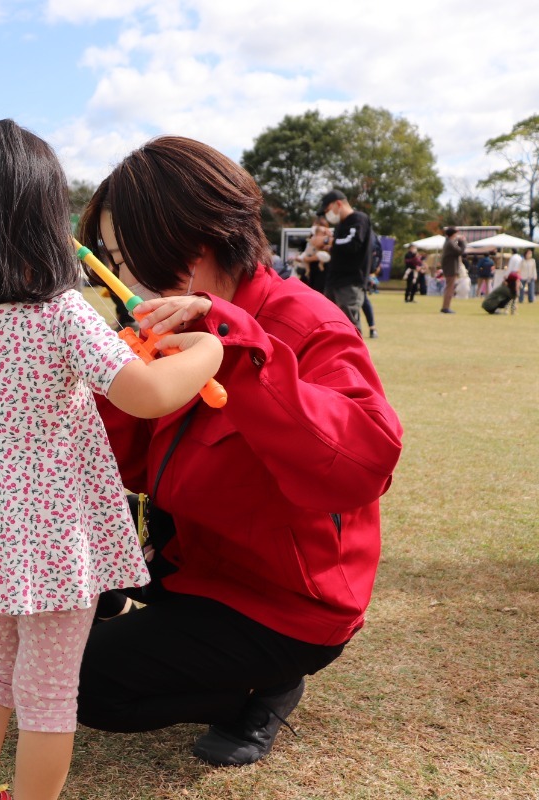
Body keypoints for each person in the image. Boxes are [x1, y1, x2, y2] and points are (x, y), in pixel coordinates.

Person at [0, 121, 223, 800]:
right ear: (34, 221)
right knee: (50, 690)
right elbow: (145, 395)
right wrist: (209, 348)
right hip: (55, 539)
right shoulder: (59, 314)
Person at [76, 136, 403, 767]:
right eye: (112, 262)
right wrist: (115, 386)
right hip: (196, 568)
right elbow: (137, 466)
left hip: (286, 602)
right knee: (61, 633)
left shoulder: (305, 325)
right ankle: (210, 661)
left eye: (133, 259)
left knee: (85, 686)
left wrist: (242, 358)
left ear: (196, 247)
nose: (127, 283)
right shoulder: (169, 334)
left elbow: (365, 464)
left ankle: (259, 693)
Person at [316, 189, 370, 328]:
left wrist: (329, 241)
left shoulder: (358, 219)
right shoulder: (341, 224)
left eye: (328, 209)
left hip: (350, 282)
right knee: (330, 323)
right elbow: (340, 246)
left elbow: (353, 243)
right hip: (334, 280)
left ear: (338, 204)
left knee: (349, 325)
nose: (327, 215)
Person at [440, 226, 466, 313]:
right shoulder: (450, 243)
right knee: (450, 288)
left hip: (449, 267)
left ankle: (446, 307)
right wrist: (462, 242)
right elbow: (459, 251)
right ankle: (445, 308)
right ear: (453, 234)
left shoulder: (448, 242)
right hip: (451, 268)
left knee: (449, 288)